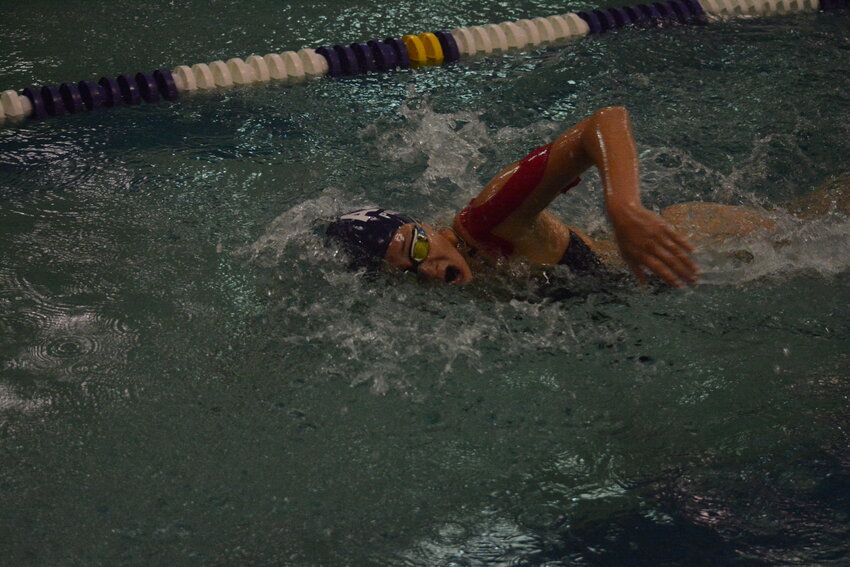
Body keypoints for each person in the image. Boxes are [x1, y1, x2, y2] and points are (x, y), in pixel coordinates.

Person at [325, 106, 845, 288]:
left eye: (418, 248)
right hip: (674, 278)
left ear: (422, 224)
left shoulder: (488, 222)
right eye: (408, 271)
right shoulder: (455, 283)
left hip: (698, 245)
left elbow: (603, 122)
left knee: (829, 223)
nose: (429, 269)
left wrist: (624, 209)